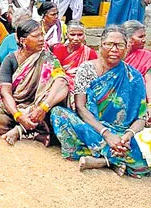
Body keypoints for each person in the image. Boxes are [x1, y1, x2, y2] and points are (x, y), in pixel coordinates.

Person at [51, 26, 150, 177]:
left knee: (144, 144)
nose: (114, 49)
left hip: (123, 134)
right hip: (92, 126)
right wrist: (106, 134)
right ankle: (114, 158)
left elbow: (141, 118)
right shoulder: (86, 69)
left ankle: (104, 159)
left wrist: (127, 136)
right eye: (109, 44)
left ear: (126, 47)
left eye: (120, 45)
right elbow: (81, 108)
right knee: (58, 114)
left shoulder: (134, 77)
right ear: (100, 45)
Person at [0, 19, 68, 146]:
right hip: (18, 106)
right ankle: (34, 131)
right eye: (36, 36)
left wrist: (43, 107)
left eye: (42, 34)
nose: (41, 39)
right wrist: (18, 115)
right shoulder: (10, 60)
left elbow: (61, 81)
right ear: (23, 40)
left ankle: (21, 131)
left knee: (58, 104)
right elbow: (5, 93)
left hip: (41, 107)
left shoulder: (47, 56)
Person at [52, 20, 97, 100]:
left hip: (82, 88)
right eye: (72, 35)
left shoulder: (90, 53)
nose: (76, 38)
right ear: (66, 35)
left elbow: (94, 75)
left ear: (84, 36)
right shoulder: (58, 49)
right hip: (61, 85)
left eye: (80, 35)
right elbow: (54, 71)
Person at [121, 20, 151, 120]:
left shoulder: (146, 56)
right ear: (128, 38)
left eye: (144, 36)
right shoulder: (114, 53)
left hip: (139, 98)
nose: (144, 40)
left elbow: (148, 81)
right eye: (140, 37)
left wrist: (150, 105)